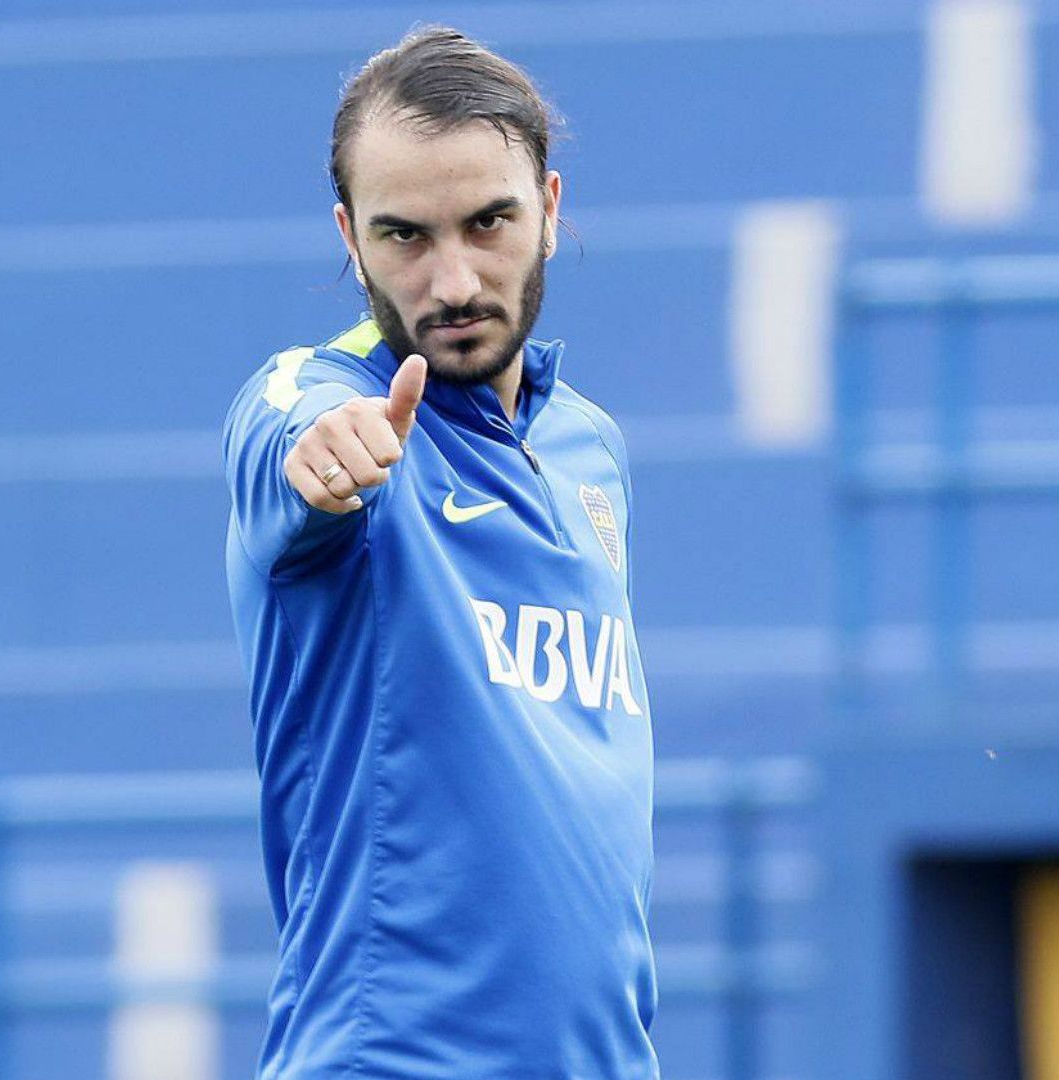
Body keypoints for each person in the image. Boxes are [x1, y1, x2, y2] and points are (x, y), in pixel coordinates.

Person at [221, 26, 658, 1079]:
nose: (453, 280)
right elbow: (287, 441)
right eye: (405, 236)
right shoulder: (319, 404)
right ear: (350, 236)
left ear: (549, 208)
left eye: (488, 222)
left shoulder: (589, 448)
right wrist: (322, 459)